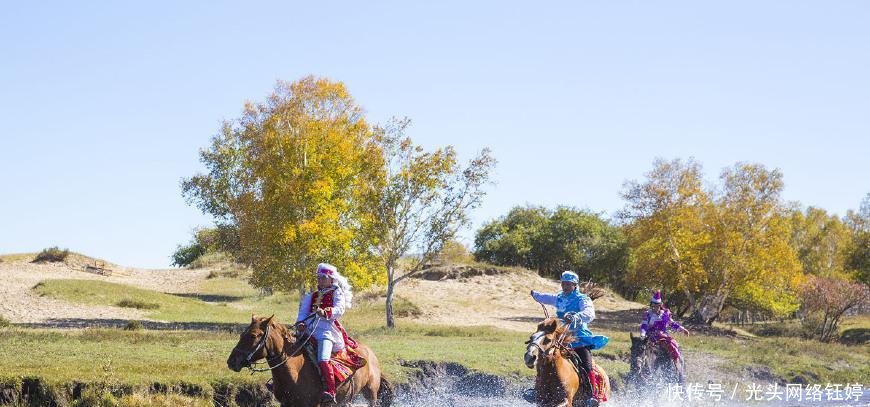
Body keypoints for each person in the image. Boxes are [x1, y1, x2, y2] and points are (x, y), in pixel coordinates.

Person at [531, 271, 609, 407]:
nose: (565, 286)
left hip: (579, 339)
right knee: (544, 359)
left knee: (586, 364)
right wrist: (536, 295)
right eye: (563, 284)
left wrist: (576, 317)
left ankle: (593, 395)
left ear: (575, 285)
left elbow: (589, 313)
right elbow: (547, 298)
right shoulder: (559, 297)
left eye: (568, 284)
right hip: (562, 338)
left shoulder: (583, 299)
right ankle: (536, 391)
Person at [295, 263, 355, 405]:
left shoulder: (336, 293)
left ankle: (331, 390)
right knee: (290, 350)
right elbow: (303, 312)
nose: (320, 280)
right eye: (319, 277)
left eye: (323, 277)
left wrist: (327, 312)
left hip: (326, 331)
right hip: (309, 329)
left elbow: (339, 308)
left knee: (322, 359)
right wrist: (301, 323)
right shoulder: (312, 295)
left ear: (330, 279)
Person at [639, 290, 690, 381]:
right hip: (650, 338)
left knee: (673, 345)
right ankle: (639, 370)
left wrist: (682, 329)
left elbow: (672, 324)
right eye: (653, 305)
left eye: (657, 305)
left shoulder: (665, 314)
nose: (655, 307)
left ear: (660, 305)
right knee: (639, 350)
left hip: (663, 338)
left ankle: (678, 368)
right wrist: (642, 334)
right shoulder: (647, 314)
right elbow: (644, 325)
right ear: (651, 304)